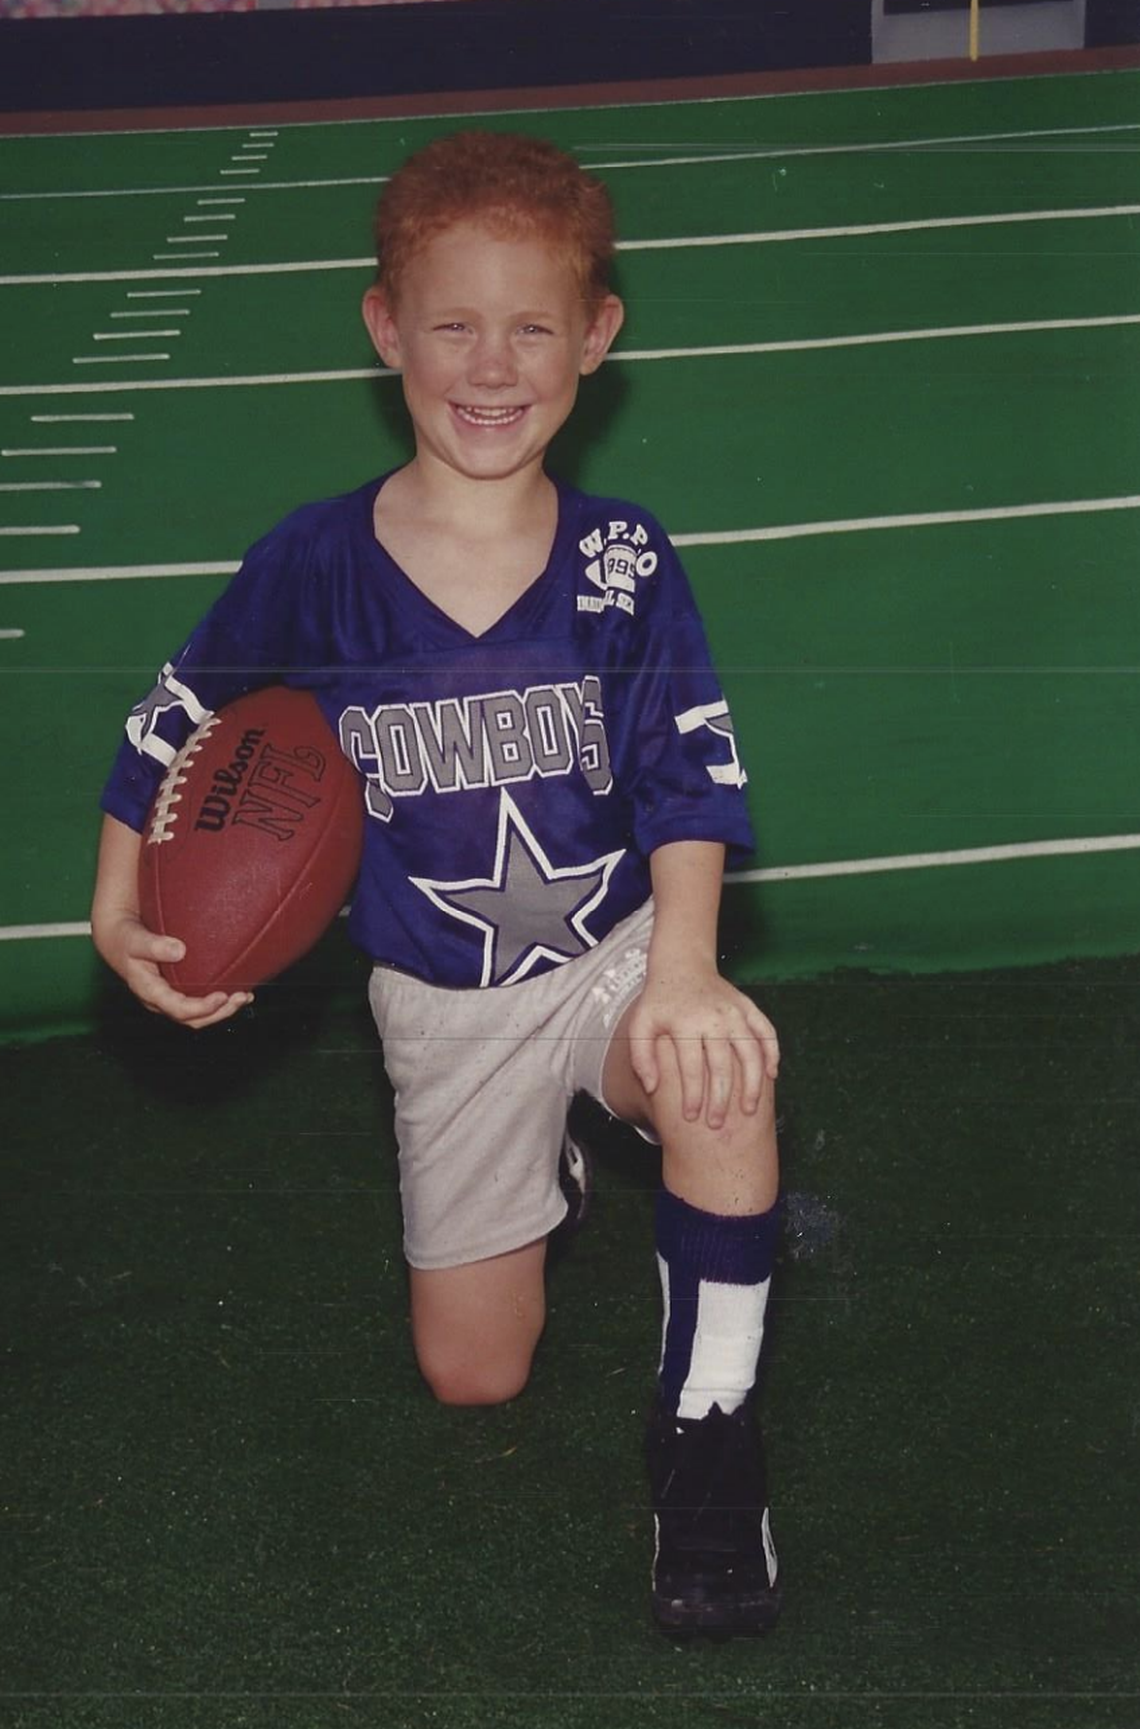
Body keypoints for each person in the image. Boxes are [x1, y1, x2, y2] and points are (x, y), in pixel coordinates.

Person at [90, 130, 783, 1638]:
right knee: (478, 1377)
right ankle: (556, 1174)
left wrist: (684, 969)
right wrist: (117, 895)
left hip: (605, 953)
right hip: (441, 1000)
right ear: (384, 327)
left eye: (533, 326)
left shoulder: (619, 560)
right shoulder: (317, 562)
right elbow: (176, 715)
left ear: (595, 340)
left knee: (719, 1071)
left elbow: (684, 775)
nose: (491, 363)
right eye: (452, 322)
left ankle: (712, 1450)